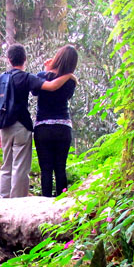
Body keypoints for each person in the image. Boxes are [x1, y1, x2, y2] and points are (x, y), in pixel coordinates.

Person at [0, 44, 73, 198]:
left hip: (9, 127)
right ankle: (20, 201)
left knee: (8, 165)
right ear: (25, 59)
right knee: (22, 167)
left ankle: (4, 200)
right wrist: (68, 75)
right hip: (28, 126)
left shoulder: (0, 79)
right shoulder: (28, 77)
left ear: (9, 60)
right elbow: (51, 87)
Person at [32, 45, 78, 197]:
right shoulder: (71, 82)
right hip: (63, 127)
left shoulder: (42, 76)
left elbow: (34, 91)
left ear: (57, 57)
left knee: (46, 170)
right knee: (60, 168)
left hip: (43, 127)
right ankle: (62, 204)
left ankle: (45, 204)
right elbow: (66, 97)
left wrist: (45, 70)